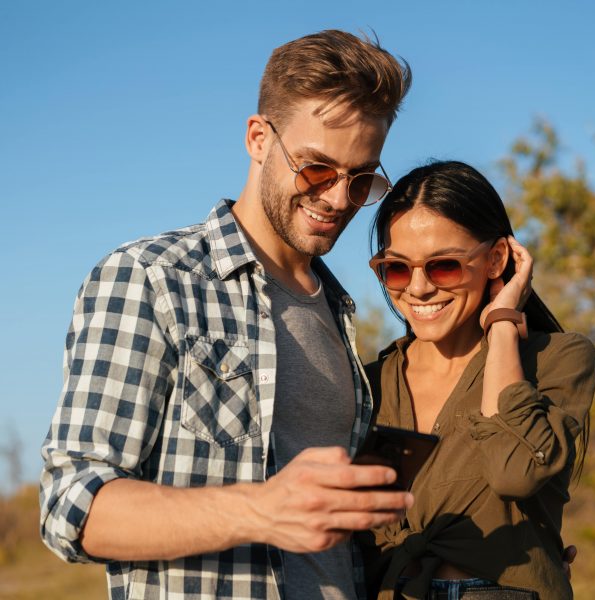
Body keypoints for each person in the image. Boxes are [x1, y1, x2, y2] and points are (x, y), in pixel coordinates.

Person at [39, 30, 415, 600]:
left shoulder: (339, 310)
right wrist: (259, 510)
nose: (339, 199)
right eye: (316, 168)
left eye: (360, 178)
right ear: (258, 138)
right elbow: (71, 503)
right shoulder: (150, 277)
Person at [362, 160, 595, 599]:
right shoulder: (369, 383)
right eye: (396, 269)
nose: (417, 289)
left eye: (443, 266)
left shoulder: (559, 359)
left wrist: (503, 325)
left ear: (496, 259)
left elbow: (515, 473)